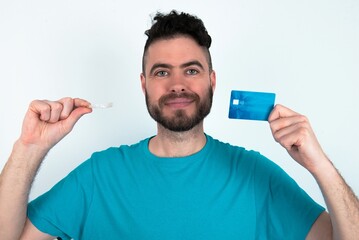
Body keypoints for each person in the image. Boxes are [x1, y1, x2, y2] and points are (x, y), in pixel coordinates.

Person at [0, 10, 358, 240]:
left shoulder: (254, 177)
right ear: (143, 83)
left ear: (211, 81)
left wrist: (319, 165)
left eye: (191, 70)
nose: (177, 85)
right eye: (161, 72)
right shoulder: (98, 176)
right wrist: (28, 149)